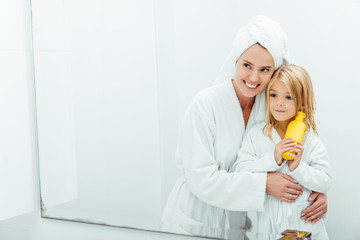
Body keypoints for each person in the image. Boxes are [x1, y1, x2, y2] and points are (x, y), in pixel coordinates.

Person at [161, 16, 328, 239]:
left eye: (265, 69)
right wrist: (264, 185)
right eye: (247, 65)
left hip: (242, 224)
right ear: (235, 60)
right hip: (197, 218)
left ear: (275, 71)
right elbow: (202, 179)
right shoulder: (205, 105)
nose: (253, 77)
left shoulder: (270, 106)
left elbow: (295, 159)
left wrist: (314, 193)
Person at [233, 64, 332, 239]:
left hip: (306, 229)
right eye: (273, 95)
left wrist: (298, 168)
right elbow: (240, 171)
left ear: (302, 102)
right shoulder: (256, 135)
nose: (279, 103)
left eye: (288, 97)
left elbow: (325, 182)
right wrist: (272, 159)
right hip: (269, 231)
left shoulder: (310, 140)